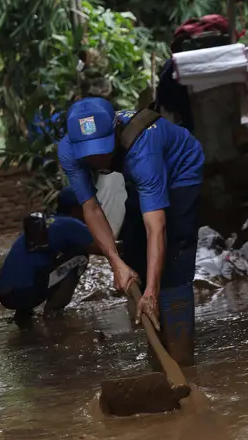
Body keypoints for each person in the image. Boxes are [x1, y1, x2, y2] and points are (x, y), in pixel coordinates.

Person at [58, 96, 204, 366]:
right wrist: (116, 262)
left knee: (174, 258)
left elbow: (156, 225)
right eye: (86, 152)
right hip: (142, 176)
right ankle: (159, 352)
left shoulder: (143, 149)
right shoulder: (69, 149)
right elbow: (90, 208)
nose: (94, 157)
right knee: (135, 252)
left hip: (180, 171)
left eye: (100, 148)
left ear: (115, 131)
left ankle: (181, 357)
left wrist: (151, 291)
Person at [0, 187, 99, 322]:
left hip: (5, 293)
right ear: (77, 208)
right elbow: (103, 249)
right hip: (24, 293)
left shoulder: (48, 222)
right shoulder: (70, 223)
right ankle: (53, 312)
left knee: (37, 265)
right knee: (80, 257)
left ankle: (24, 316)